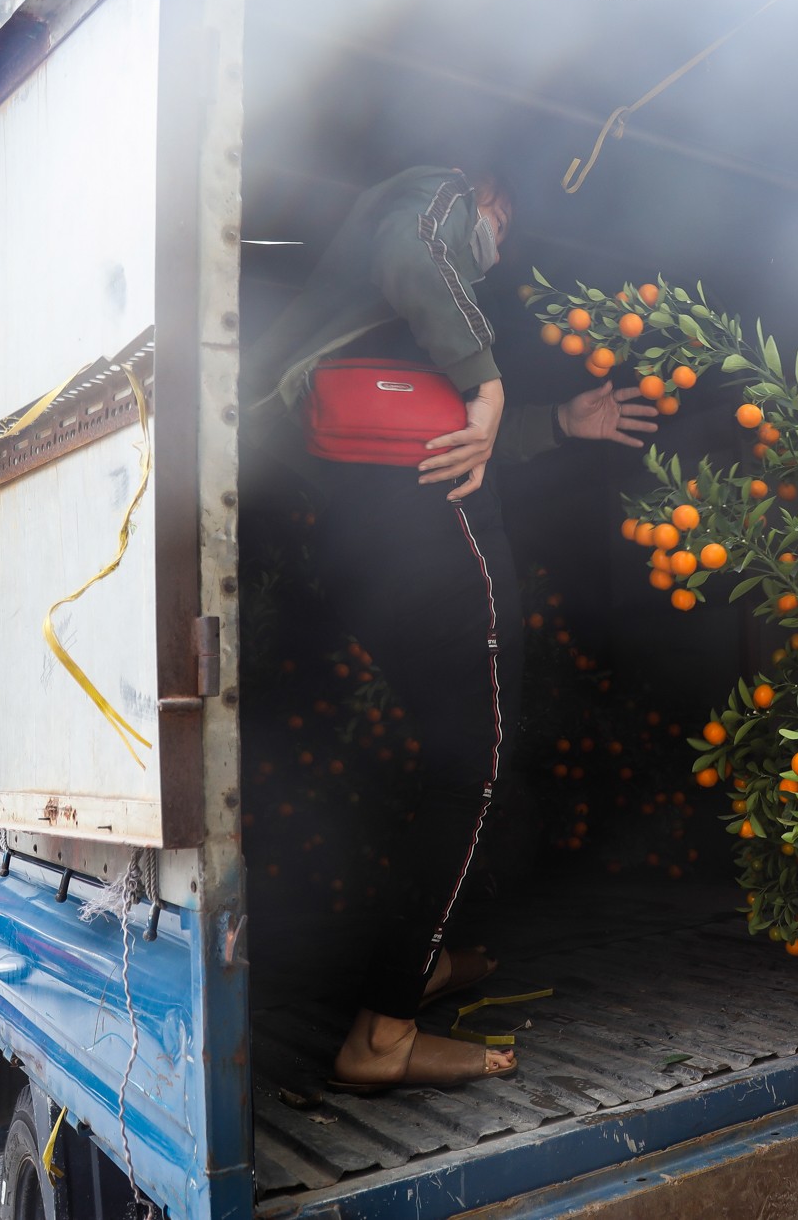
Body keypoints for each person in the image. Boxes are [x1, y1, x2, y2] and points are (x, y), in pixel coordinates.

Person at [243, 164, 656, 1091]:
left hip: (368, 530)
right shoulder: (430, 199)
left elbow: (426, 433)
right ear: (490, 193)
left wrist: (557, 419)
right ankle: (382, 1034)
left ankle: (413, 961)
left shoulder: (377, 334)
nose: (499, 246)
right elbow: (418, 251)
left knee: (452, 756)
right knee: (481, 752)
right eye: (505, 227)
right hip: (427, 538)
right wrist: (491, 384)